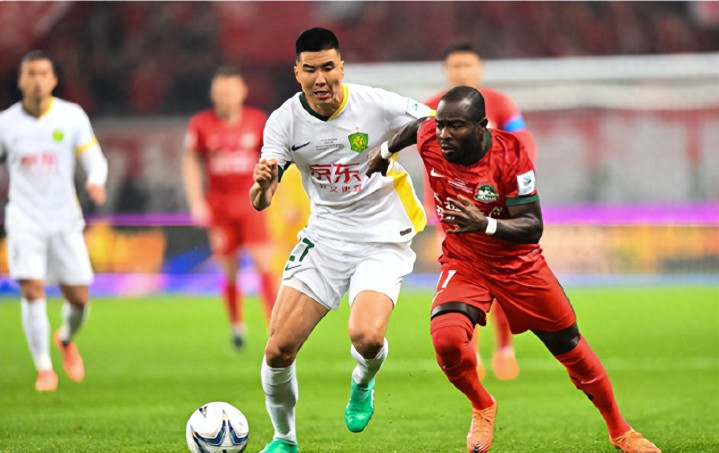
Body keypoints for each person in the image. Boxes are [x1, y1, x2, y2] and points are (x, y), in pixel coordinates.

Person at [366, 86, 661, 453]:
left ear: (481, 126)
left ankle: (621, 431)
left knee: (570, 347)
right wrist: (383, 151)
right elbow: (415, 129)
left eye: (455, 126)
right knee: (446, 340)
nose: (443, 134)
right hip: (465, 261)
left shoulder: (511, 155)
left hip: (518, 265)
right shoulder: (431, 135)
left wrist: (485, 224)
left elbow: (532, 225)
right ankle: (482, 405)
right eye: (441, 125)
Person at [250, 28, 430, 453]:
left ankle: (362, 382)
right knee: (277, 350)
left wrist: (387, 148)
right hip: (326, 237)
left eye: (328, 67)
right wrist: (260, 186)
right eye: (310, 69)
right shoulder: (283, 122)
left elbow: (434, 122)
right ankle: (284, 439)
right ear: (297, 73)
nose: (321, 79)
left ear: (342, 68)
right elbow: (262, 200)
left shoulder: (375, 104)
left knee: (366, 337)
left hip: (381, 236)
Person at [425, 43, 539, 381]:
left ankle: (504, 347)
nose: (461, 71)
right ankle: (470, 351)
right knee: (463, 279)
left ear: (479, 69)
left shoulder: (500, 103)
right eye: (455, 65)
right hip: (453, 207)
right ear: (447, 71)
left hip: (498, 206)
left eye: (467, 65)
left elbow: (524, 144)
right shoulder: (431, 108)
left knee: (502, 277)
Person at [0, 50, 108, 392]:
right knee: (31, 290)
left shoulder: (71, 116)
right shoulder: (6, 124)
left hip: (64, 220)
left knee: (79, 299)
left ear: (54, 80)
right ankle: (44, 368)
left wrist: (96, 180)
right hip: (23, 219)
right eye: (31, 73)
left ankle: (65, 339)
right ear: (21, 80)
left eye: (43, 73)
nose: (37, 80)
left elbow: (95, 158)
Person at [182, 66, 277, 349]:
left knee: (264, 263)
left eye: (230, 91)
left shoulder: (257, 121)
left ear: (242, 92)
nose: (226, 97)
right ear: (213, 94)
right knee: (230, 269)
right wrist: (196, 201)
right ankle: (237, 327)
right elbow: (190, 162)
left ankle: (275, 327)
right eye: (221, 92)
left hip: (252, 204)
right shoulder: (201, 124)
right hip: (219, 207)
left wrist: (272, 193)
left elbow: (273, 159)